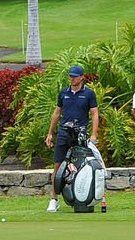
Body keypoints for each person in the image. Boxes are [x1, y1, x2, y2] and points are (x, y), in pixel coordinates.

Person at [45, 65, 107, 214]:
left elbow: (94, 114)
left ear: (81, 77)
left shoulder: (89, 94)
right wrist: (50, 133)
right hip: (64, 132)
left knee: (85, 165)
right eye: (70, 76)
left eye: (75, 76)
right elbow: (57, 113)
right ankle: (54, 199)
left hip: (80, 133)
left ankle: (85, 197)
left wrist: (94, 134)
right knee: (57, 166)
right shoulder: (63, 93)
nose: (72, 79)